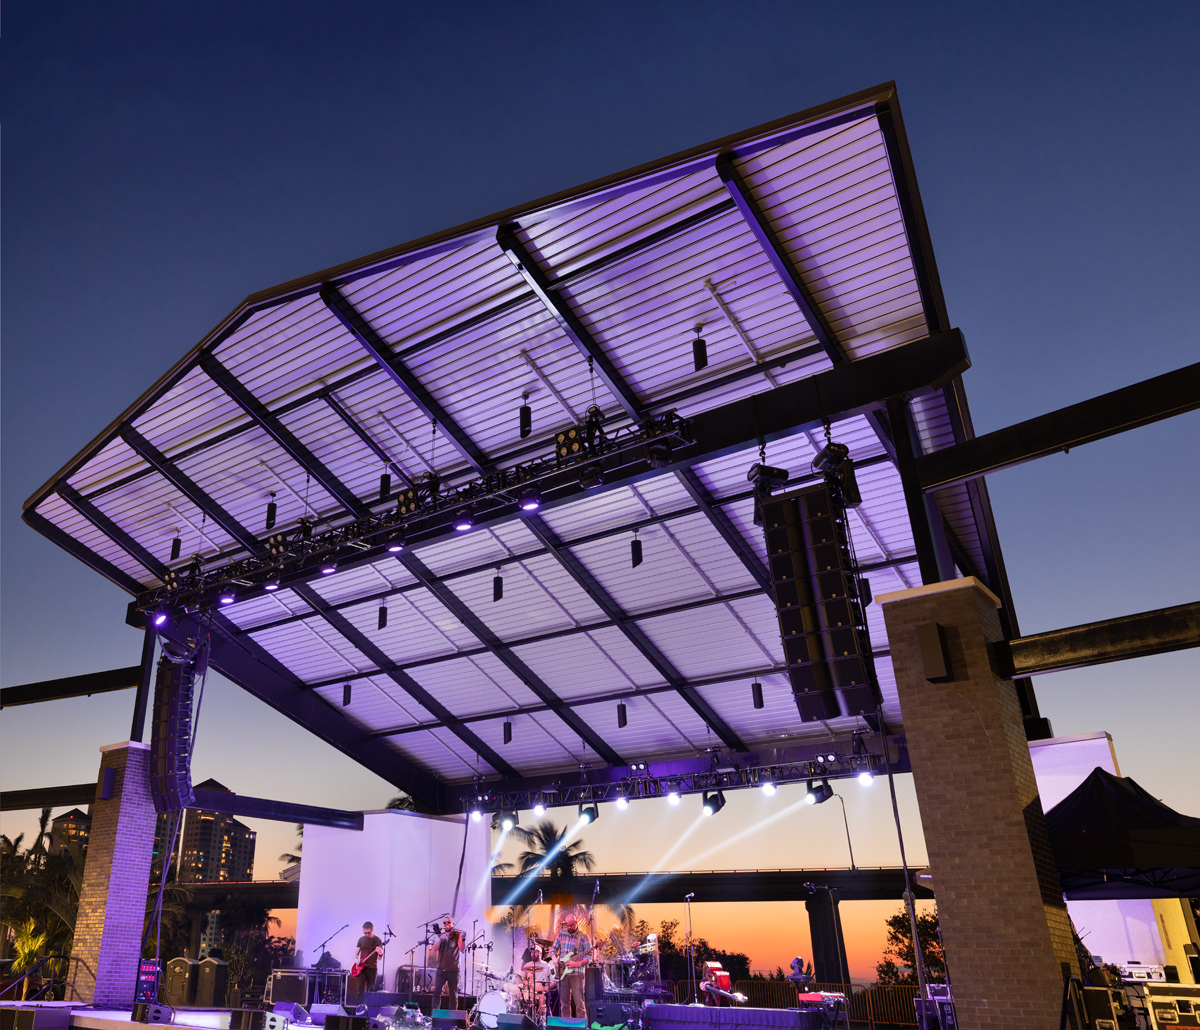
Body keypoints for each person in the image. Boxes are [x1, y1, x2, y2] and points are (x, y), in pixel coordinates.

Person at [550, 912, 591, 1023]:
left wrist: (577, 964)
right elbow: (553, 950)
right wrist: (554, 959)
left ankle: (581, 1026)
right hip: (563, 973)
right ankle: (566, 1026)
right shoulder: (562, 933)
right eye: (567, 925)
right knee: (564, 1004)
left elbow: (589, 956)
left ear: (576, 923)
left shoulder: (584, 937)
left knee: (579, 1003)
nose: (569, 927)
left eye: (571, 925)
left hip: (577, 974)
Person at [431, 917, 465, 1010]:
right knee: (436, 992)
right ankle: (435, 1014)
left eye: (449, 922)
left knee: (453, 994)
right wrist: (440, 938)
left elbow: (462, 949)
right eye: (444, 922)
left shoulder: (457, 934)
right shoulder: (441, 935)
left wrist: (462, 938)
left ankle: (452, 1016)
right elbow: (434, 948)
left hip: (453, 970)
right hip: (441, 970)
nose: (446, 924)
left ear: (452, 924)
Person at [348, 921, 384, 1007]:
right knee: (359, 989)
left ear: (372, 930)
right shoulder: (361, 939)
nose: (367, 934)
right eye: (365, 933)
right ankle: (359, 1008)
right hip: (362, 968)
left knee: (370, 990)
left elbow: (380, 958)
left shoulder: (378, 940)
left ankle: (369, 1008)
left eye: (368, 932)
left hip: (372, 968)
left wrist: (380, 952)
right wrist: (357, 962)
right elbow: (356, 955)